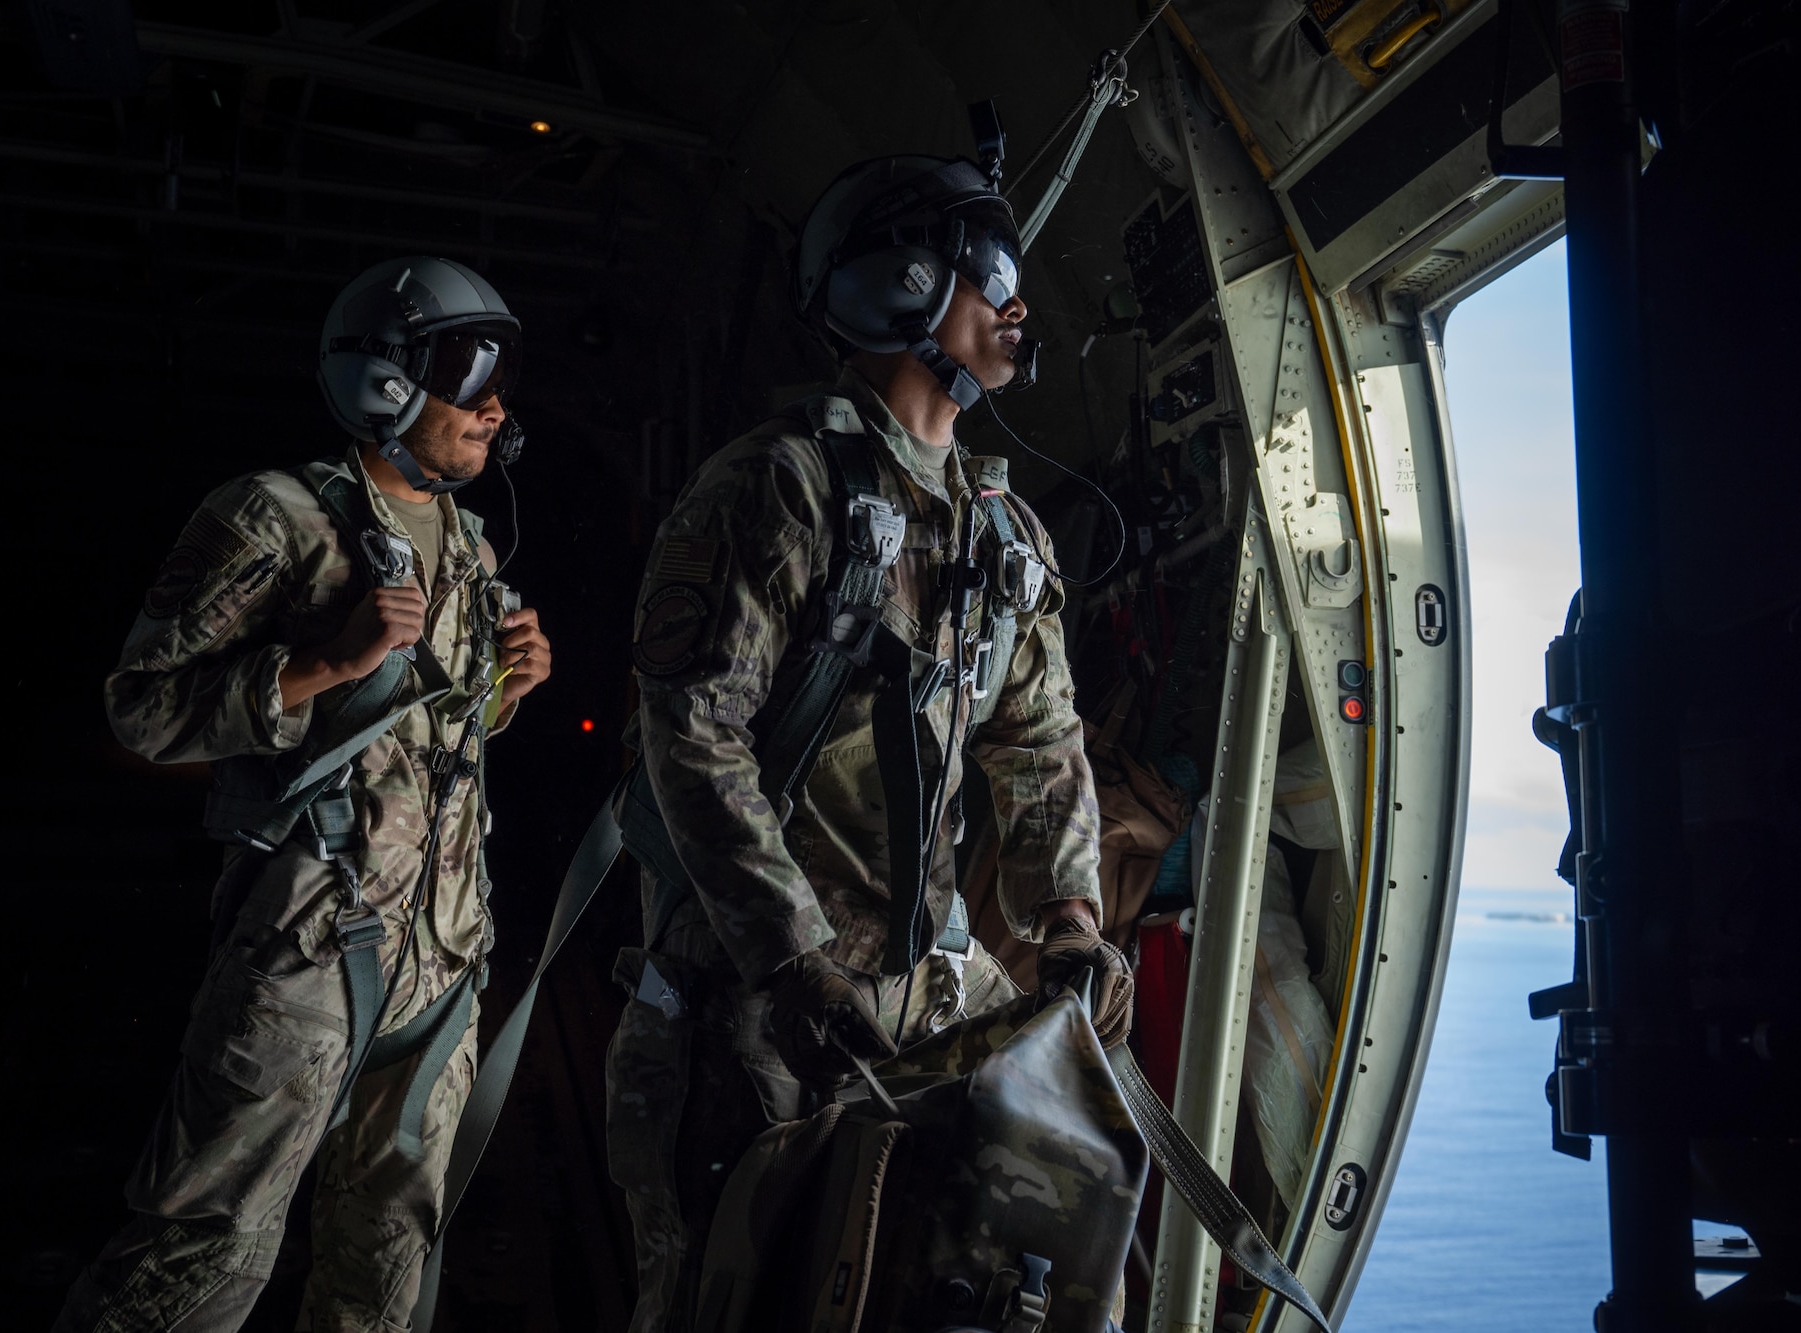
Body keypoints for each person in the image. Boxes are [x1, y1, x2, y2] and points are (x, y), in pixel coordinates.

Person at [605, 153, 1134, 1331]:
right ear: (903, 289)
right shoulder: (776, 491)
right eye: (989, 273)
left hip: (918, 1008)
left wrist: (1068, 920)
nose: (1017, 304)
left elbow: (1039, 741)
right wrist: (791, 958)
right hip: (751, 1014)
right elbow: (694, 735)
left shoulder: (1003, 529)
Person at [56, 256, 553, 1333]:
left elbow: (430, 740)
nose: (495, 406)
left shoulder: (469, 544)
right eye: (470, 374)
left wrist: (507, 690)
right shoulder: (272, 516)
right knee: (202, 1251)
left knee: (384, 1274)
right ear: (386, 381)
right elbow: (142, 708)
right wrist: (327, 661)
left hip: (443, 964)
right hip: (309, 955)